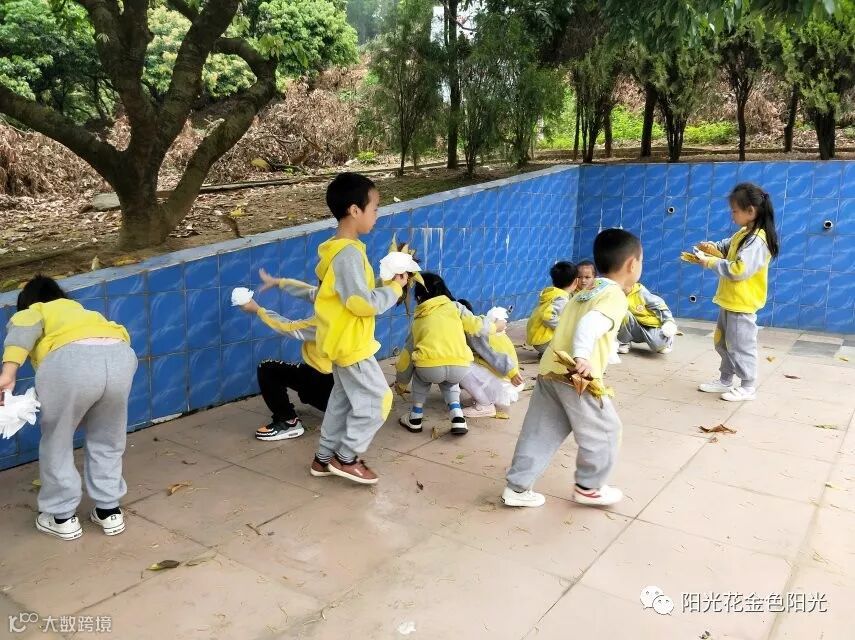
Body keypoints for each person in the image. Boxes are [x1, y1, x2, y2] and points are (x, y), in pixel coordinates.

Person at [502, 229, 641, 509]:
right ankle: (590, 487)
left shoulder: (585, 292)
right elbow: (590, 325)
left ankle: (517, 487)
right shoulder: (614, 295)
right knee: (606, 430)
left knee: (540, 431)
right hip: (576, 374)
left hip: (550, 369)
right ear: (631, 264)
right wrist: (582, 357)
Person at [0, 276, 137, 540]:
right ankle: (109, 511)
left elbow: (22, 328)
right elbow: (120, 334)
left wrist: (8, 373)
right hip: (120, 356)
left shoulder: (37, 309)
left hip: (71, 361)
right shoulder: (84, 312)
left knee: (57, 440)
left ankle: (62, 517)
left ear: (28, 301)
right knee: (108, 437)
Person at [310, 172, 407, 484]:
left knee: (341, 401)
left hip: (341, 340)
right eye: (374, 208)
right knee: (380, 400)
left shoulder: (335, 249)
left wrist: (385, 283)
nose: (377, 215)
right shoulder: (349, 253)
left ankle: (323, 459)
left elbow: (350, 294)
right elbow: (360, 303)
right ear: (355, 210)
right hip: (352, 344)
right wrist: (394, 290)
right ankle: (346, 457)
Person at [690, 182, 779, 402]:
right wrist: (711, 248)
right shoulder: (744, 232)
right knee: (722, 343)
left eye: (734, 211)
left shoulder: (758, 240)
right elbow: (726, 247)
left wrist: (709, 262)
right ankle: (725, 379)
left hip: (742, 304)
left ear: (751, 211)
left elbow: (739, 270)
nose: (732, 215)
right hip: (729, 301)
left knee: (741, 346)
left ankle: (748, 386)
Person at [395, 274, 503, 436]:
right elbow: (477, 326)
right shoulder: (457, 308)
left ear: (419, 297)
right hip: (459, 367)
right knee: (450, 380)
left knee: (420, 374)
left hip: (429, 369)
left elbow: (407, 355)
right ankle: (457, 417)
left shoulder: (419, 318)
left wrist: (401, 383)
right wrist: (495, 327)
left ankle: (415, 417)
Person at [237, 269, 333, 441]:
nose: (317, 289)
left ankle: (288, 422)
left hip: (326, 384)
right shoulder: (348, 304)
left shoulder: (326, 322)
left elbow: (289, 327)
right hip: (348, 386)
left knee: (267, 369)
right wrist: (278, 282)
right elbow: (309, 292)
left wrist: (258, 310)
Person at [457, 303, 525, 419]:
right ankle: (480, 397)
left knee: (460, 366)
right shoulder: (482, 324)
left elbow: (493, 354)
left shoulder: (473, 331)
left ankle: (485, 405)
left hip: (506, 375)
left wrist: (511, 371)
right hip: (503, 371)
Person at [526, 261, 578, 356]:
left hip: (539, 338)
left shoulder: (552, 293)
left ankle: (546, 352)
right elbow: (548, 317)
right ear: (575, 282)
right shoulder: (561, 298)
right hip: (544, 342)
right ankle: (548, 354)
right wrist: (564, 326)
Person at [617, 282, 678, 355]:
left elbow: (660, 306)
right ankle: (624, 343)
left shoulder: (641, 293)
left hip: (651, 326)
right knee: (624, 314)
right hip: (635, 327)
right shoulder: (616, 294)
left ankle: (667, 341)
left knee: (658, 345)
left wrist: (669, 321)